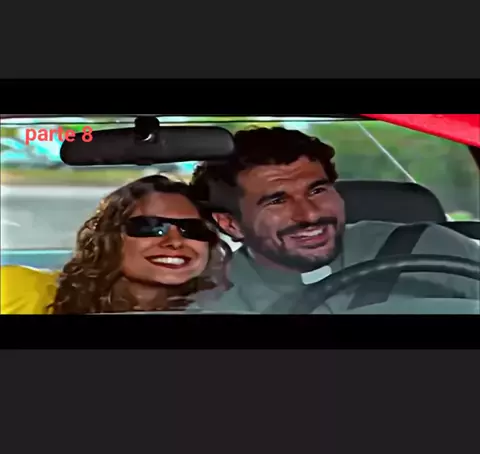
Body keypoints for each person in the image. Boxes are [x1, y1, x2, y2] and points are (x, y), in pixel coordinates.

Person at [188, 126, 480, 313]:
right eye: (277, 201)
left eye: (317, 190)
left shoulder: (431, 246)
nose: (311, 215)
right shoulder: (210, 296)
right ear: (230, 224)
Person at [1, 175, 230, 314]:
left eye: (192, 229)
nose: (175, 242)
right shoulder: (17, 289)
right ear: (110, 237)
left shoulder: (236, 305)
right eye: (150, 227)